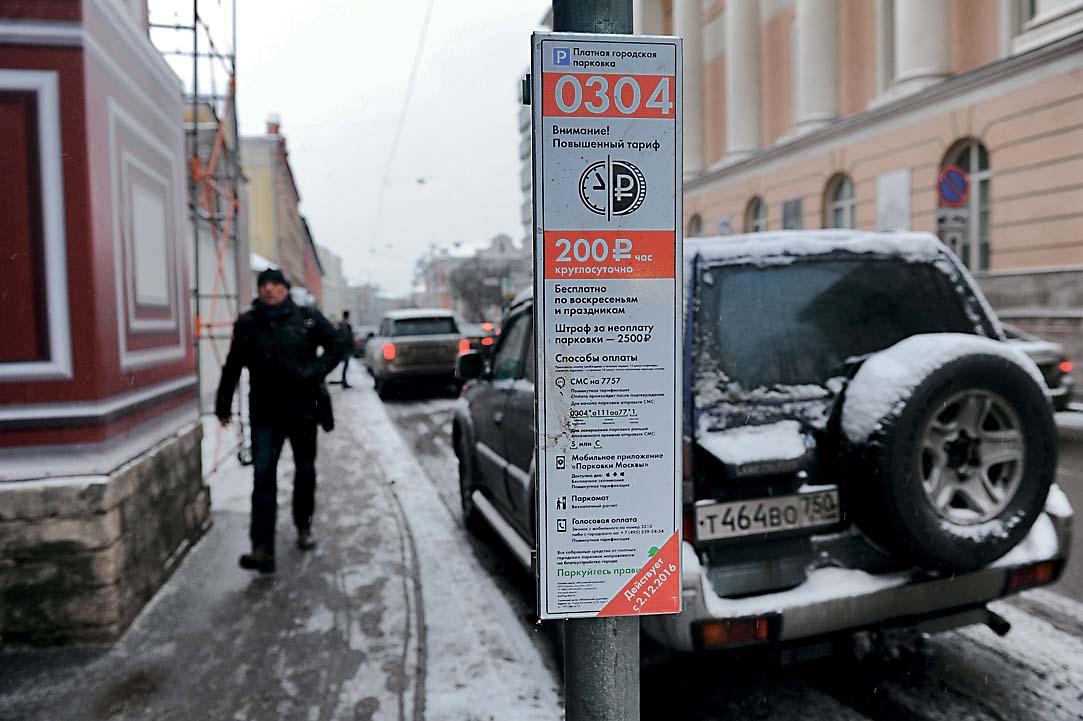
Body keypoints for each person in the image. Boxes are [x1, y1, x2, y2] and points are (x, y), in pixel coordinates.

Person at [215, 268, 345, 573]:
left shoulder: (307, 318)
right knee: (263, 478)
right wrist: (223, 405)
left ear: (285, 289)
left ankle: (304, 526)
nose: (269, 289)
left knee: (305, 471)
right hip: (266, 413)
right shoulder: (249, 324)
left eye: (275, 284)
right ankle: (262, 549)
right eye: (264, 284)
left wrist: (314, 371)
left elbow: (338, 345)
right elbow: (233, 365)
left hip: (303, 410)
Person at [338, 310, 354, 388]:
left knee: (345, 366)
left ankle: (344, 381)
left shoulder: (342, 325)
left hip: (344, 348)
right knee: (345, 365)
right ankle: (344, 381)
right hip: (345, 348)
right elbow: (347, 338)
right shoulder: (345, 325)